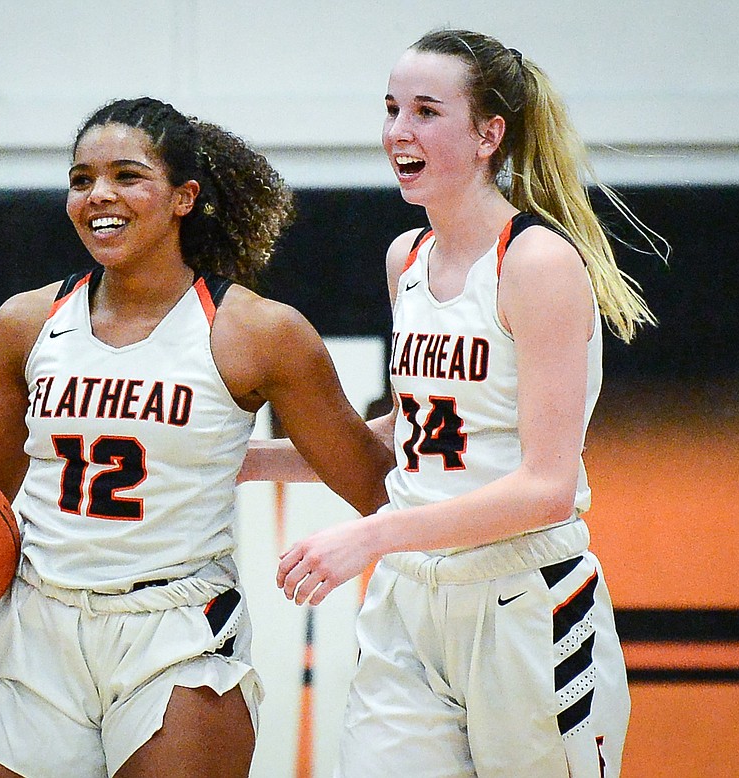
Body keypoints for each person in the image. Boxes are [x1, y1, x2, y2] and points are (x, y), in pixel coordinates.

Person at [0, 96, 393, 778]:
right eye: (81, 180)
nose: (98, 194)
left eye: (127, 175)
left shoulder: (256, 332)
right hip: (37, 630)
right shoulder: (25, 324)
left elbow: (377, 484)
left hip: (176, 632)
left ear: (184, 196)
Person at [246, 29, 664, 778]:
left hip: (523, 602)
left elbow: (547, 487)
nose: (398, 131)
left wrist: (375, 535)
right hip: (411, 601)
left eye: (426, 111)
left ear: (487, 135)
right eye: (391, 109)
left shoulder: (536, 261)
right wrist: (246, 461)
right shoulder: (406, 258)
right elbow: (417, 429)